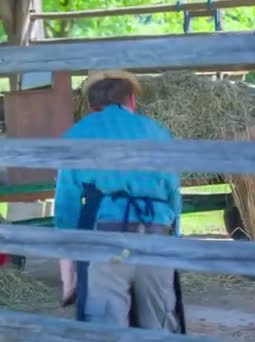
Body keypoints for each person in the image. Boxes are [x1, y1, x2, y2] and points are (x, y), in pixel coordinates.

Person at [55, 70, 183, 332]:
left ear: (91, 105)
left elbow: (65, 211)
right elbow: (173, 196)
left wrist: (68, 280)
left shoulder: (77, 134)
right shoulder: (158, 132)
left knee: (107, 329)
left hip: (106, 241)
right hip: (157, 238)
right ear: (132, 100)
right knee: (160, 326)